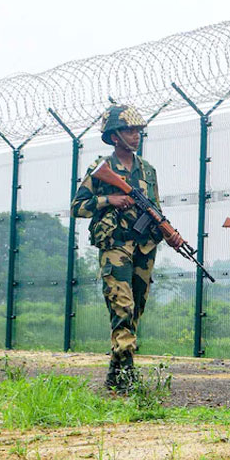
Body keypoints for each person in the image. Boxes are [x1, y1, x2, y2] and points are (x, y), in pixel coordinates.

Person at [72, 104, 183, 392]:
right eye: (129, 130)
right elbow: (77, 208)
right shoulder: (101, 169)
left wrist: (170, 233)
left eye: (137, 131)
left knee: (136, 310)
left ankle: (114, 370)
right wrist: (109, 201)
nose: (135, 136)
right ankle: (126, 375)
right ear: (113, 136)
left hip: (144, 248)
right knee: (121, 305)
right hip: (116, 245)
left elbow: (155, 208)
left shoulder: (148, 170)